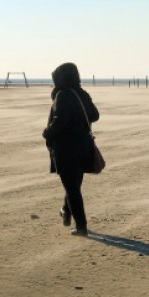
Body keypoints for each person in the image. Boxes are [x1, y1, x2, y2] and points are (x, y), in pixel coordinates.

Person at [43, 62, 99, 237]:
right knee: (74, 185)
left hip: (66, 149)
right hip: (83, 146)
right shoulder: (81, 93)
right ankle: (66, 211)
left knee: (72, 187)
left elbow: (60, 122)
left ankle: (81, 227)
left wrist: (47, 132)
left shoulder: (62, 95)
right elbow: (95, 116)